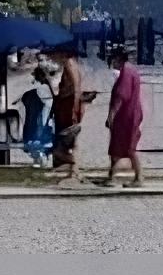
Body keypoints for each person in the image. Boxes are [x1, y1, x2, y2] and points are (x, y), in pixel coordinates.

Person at [49, 44, 97, 183]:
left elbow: (76, 88)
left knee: (66, 136)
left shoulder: (70, 64)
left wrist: (75, 107)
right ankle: (65, 167)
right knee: (62, 136)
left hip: (69, 104)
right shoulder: (65, 65)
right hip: (64, 103)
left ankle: (70, 168)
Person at [101, 45, 145, 188]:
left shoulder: (126, 73)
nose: (112, 64)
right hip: (130, 114)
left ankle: (139, 177)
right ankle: (112, 176)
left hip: (126, 115)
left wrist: (111, 116)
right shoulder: (131, 70)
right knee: (119, 146)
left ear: (118, 58)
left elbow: (121, 96)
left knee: (128, 147)